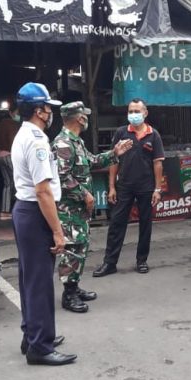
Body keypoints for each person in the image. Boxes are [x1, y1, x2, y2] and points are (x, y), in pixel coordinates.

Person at [10, 82, 76, 366]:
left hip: (25, 211)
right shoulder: (36, 140)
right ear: (39, 110)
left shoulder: (23, 134)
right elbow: (43, 191)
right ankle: (40, 347)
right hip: (35, 212)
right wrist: (58, 232)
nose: (51, 113)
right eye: (48, 108)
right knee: (39, 283)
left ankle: (33, 335)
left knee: (30, 280)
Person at [52, 101, 133, 312]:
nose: (87, 118)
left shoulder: (76, 142)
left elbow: (93, 162)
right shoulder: (62, 144)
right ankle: (68, 295)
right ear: (79, 118)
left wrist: (114, 152)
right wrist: (85, 194)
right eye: (85, 115)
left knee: (80, 248)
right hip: (69, 210)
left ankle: (74, 286)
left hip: (79, 211)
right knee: (71, 250)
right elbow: (62, 177)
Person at [92, 98, 165, 277]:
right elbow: (113, 160)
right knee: (116, 224)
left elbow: (158, 164)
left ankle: (142, 260)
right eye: (131, 111)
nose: (133, 114)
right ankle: (109, 263)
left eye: (137, 111)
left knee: (145, 224)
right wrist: (111, 187)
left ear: (145, 113)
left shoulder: (153, 134)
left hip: (146, 187)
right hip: (124, 185)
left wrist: (157, 189)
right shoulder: (121, 133)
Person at [0, 102, 21, 220]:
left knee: (8, 184)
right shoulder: (12, 124)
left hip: (0, 155)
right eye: (17, 113)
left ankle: (4, 212)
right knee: (20, 182)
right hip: (9, 155)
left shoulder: (2, 123)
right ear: (11, 113)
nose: (19, 115)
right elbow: (12, 139)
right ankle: (21, 210)